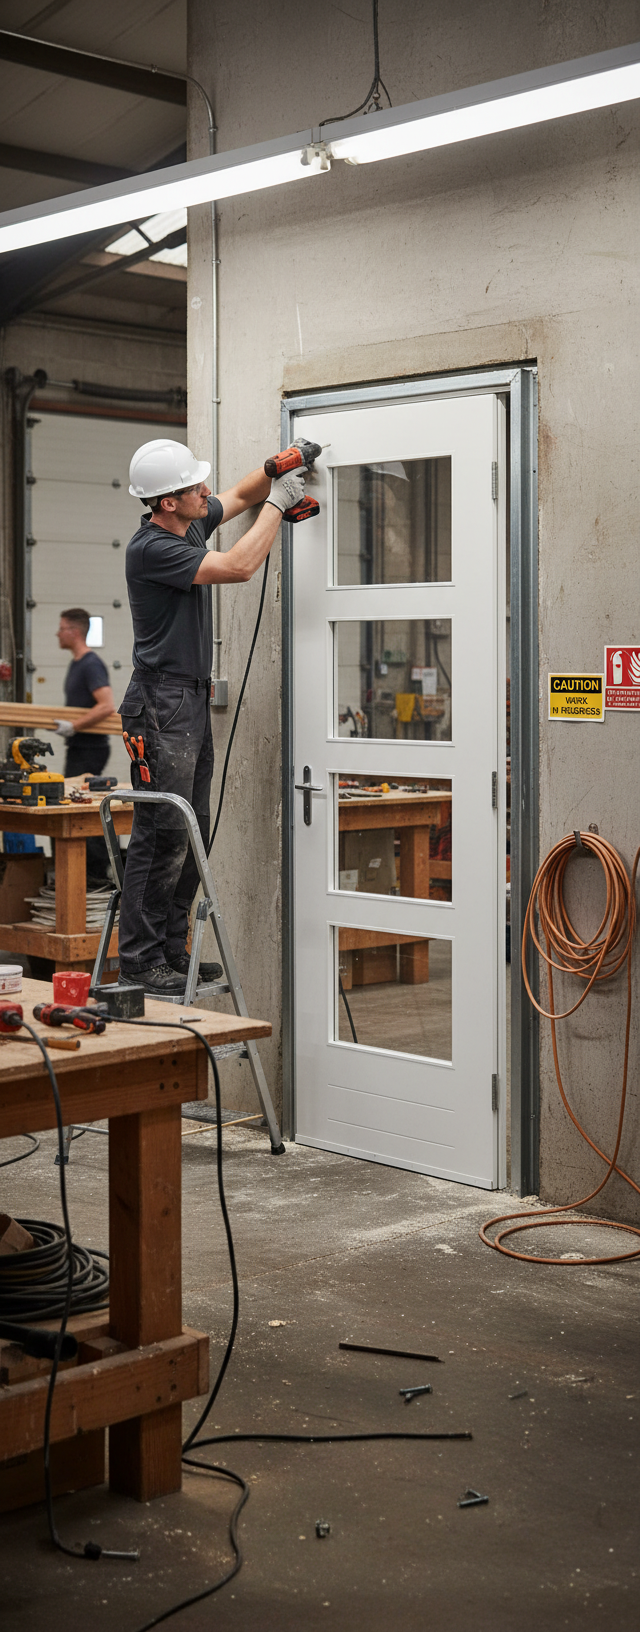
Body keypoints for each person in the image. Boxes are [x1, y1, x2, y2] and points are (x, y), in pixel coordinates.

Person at [117, 437, 307, 996]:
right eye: (193, 486)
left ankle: (171, 952)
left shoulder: (187, 522)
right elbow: (240, 566)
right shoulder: (151, 549)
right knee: (161, 831)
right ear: (167, 502)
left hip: (187, 699)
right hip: (160, 704)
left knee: (192, 827)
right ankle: (139, 962)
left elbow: (240, 493)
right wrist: (280, 504)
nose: (206, 491)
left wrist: (277, 469)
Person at [55, 608, 116, 884]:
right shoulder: (76, 663)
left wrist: (74, 725)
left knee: (83, 809)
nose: (57, 633)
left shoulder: (91, 664)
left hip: (91, 749)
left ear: (74, 632)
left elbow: (106, 706)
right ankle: (83, 873)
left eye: (62, 628)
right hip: (79, 746)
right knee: (76, 805)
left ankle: (94, 878)